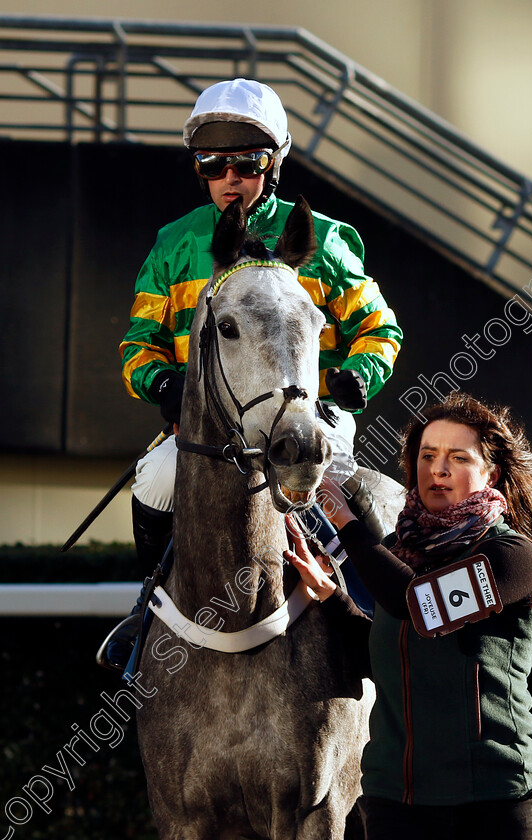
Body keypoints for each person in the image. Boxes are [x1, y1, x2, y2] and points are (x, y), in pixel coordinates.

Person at [97, 78, 402, 671]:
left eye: (247, 162)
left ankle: (382, 625)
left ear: (275, 164)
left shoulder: (328, 242)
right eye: (213, 164)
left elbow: (380, 330)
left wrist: (356, 379)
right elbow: (139, 343)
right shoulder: (174, 245)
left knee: (346, 486)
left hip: (307, 414)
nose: (230, 177)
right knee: (156, 478)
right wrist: (161, 383)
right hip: (216, 425)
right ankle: (147, 612)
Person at [286, 392, 532, 840]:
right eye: (427, 455)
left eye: (457, 457)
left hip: (492, 801)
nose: (439, 469)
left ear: (492, 472)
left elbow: (419, 608)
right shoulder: (395, 550)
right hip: (394, 801)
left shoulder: (513, 556)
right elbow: (382, 661)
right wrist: (332, 597)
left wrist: (348, 525)